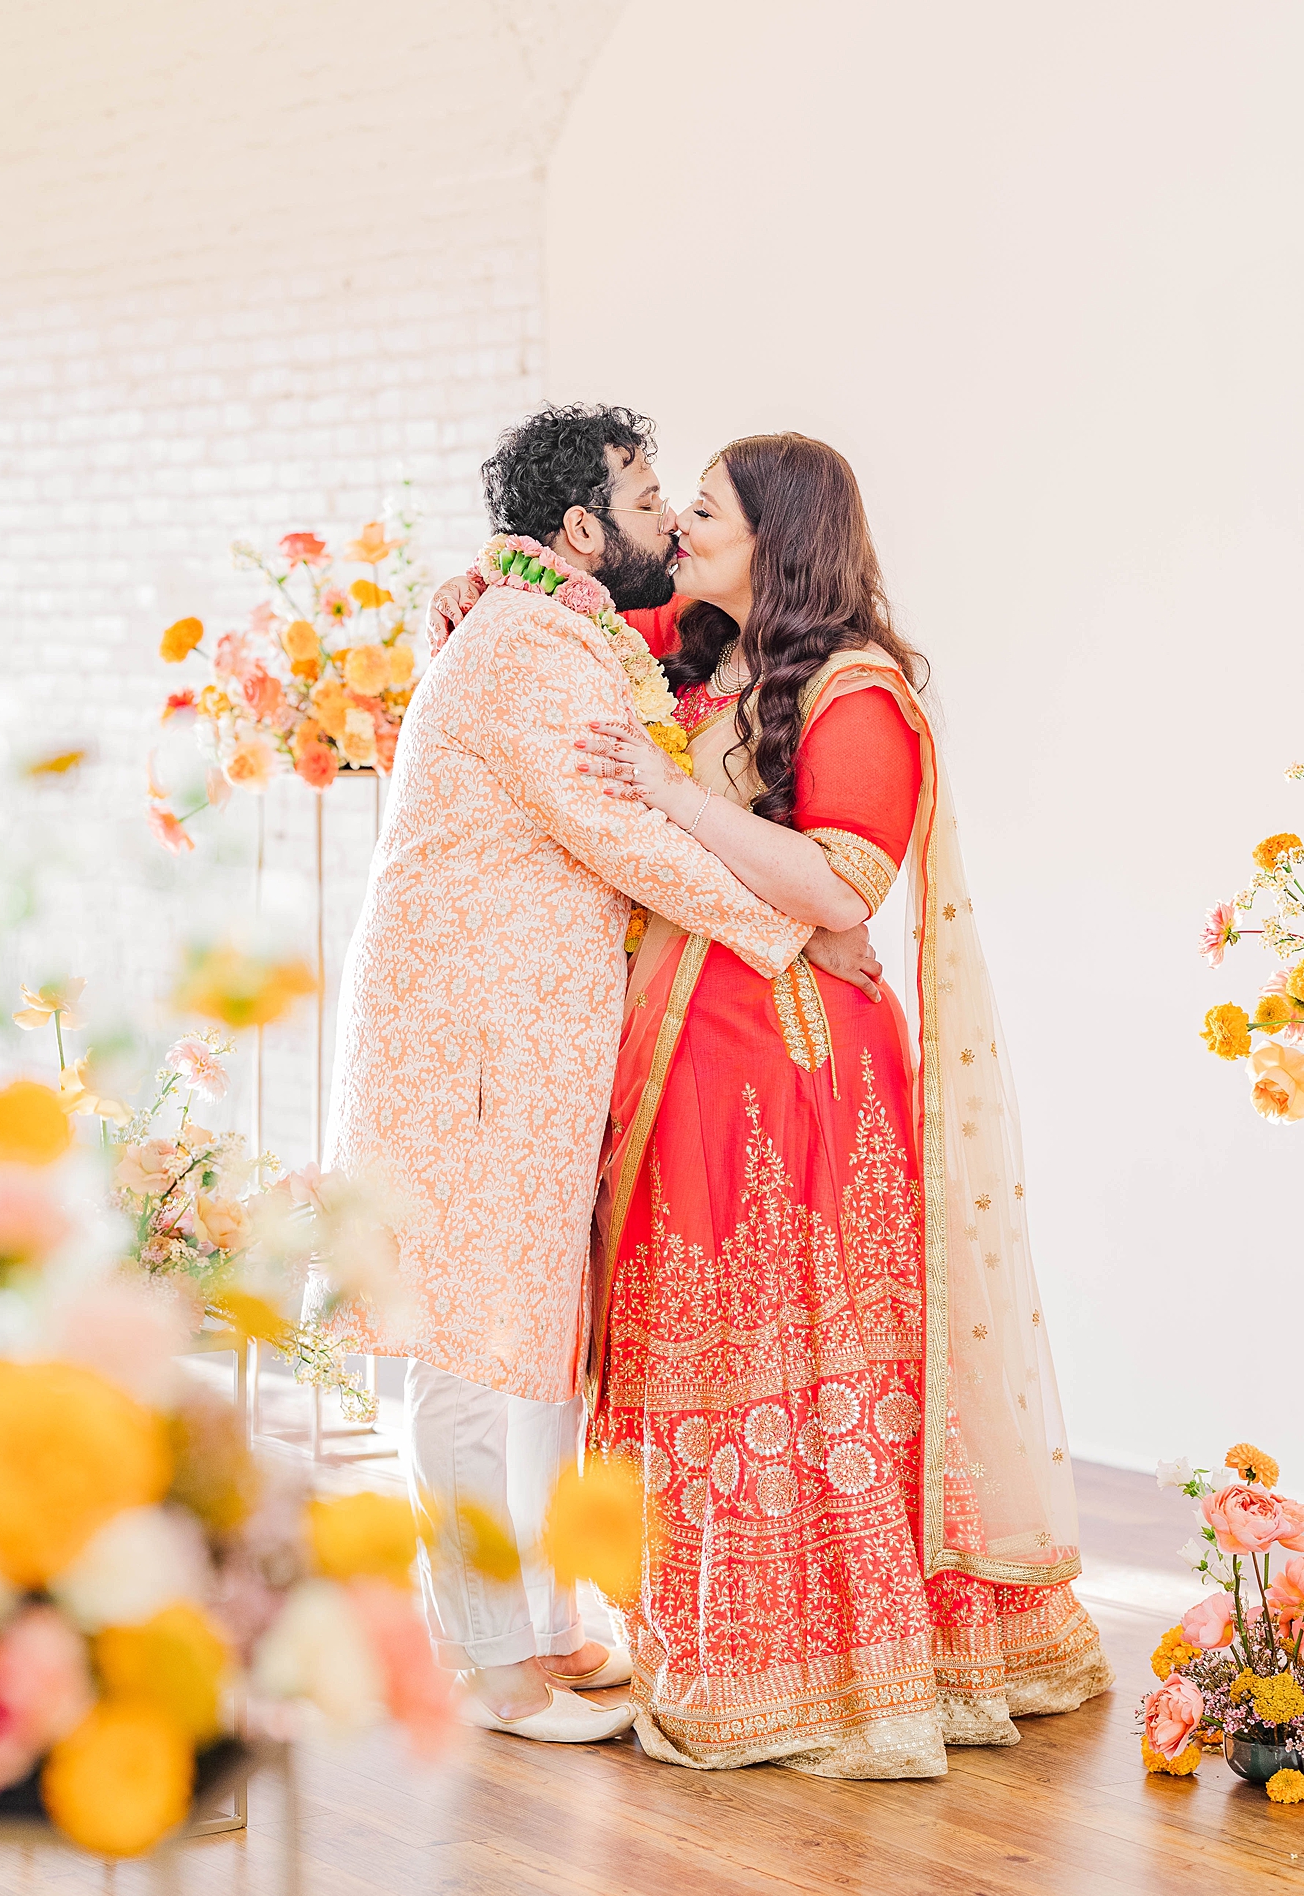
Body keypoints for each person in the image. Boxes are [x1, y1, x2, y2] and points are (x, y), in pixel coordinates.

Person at [323, 406, 876, 1746]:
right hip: (466, 1048)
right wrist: (800, 927)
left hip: (526, 1049)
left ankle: (547, 1627)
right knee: (464, 1345)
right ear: (576, 530)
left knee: (537, 1345)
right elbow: (619, 828)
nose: (667, 526)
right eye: (644, 501)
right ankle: (489, 1666)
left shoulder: (560, 631)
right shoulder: (527, 645)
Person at [565, 433, 1113, 1778]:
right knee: (693, 1328)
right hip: (687, 1054)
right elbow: (557, 605)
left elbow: (842, 891)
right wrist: (472, 596)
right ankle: (717, 1638)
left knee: (793, 1329)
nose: (679, 529)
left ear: (780, 537)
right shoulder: (698, 658)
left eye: (704, 511)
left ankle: (833, 1658)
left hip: (795, 1066)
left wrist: (663, 796)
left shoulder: (853, 689)